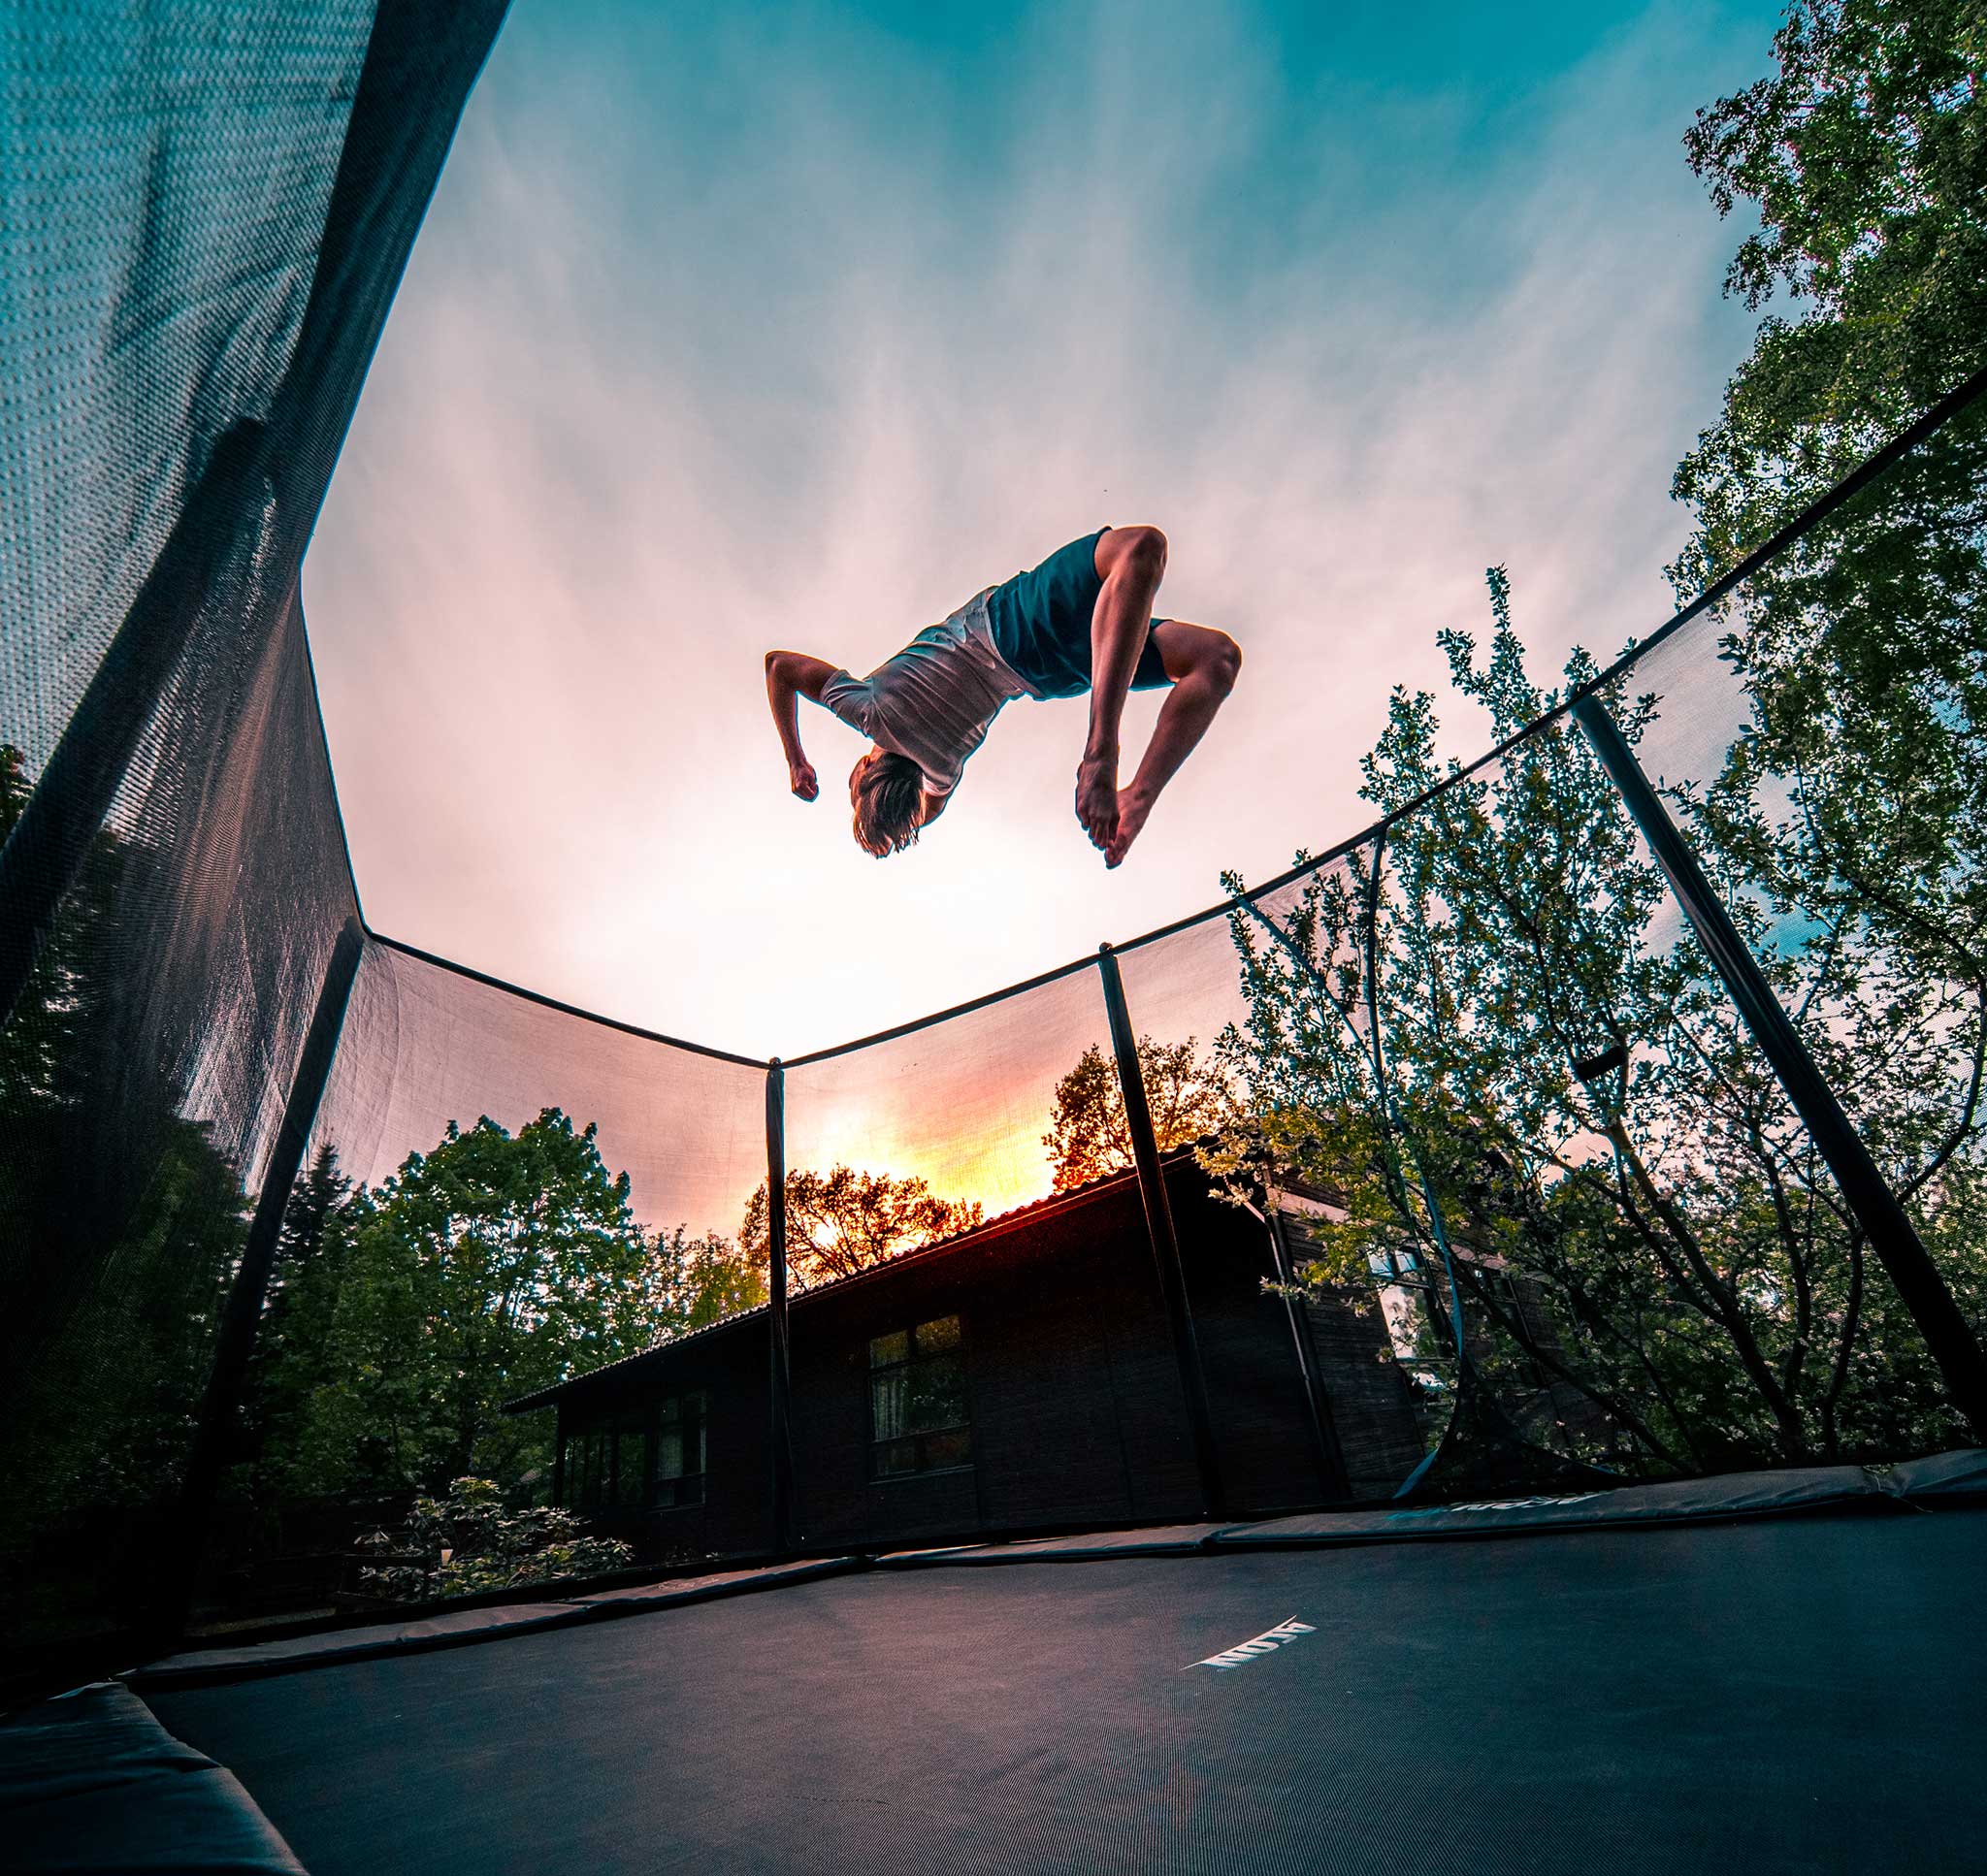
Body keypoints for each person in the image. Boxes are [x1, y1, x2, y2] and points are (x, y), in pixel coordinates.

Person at [764, 526, 1241, 867]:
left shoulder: (940, 777)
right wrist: (795, 760)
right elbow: (779, 667)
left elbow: (918, 818)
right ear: (864, 768)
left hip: (1055, 672)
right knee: (1141, 547)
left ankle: (1140, 795)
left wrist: (883, 830)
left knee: (1214, 660)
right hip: (1016, 621)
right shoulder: (869, 711)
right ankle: (1101, 753)